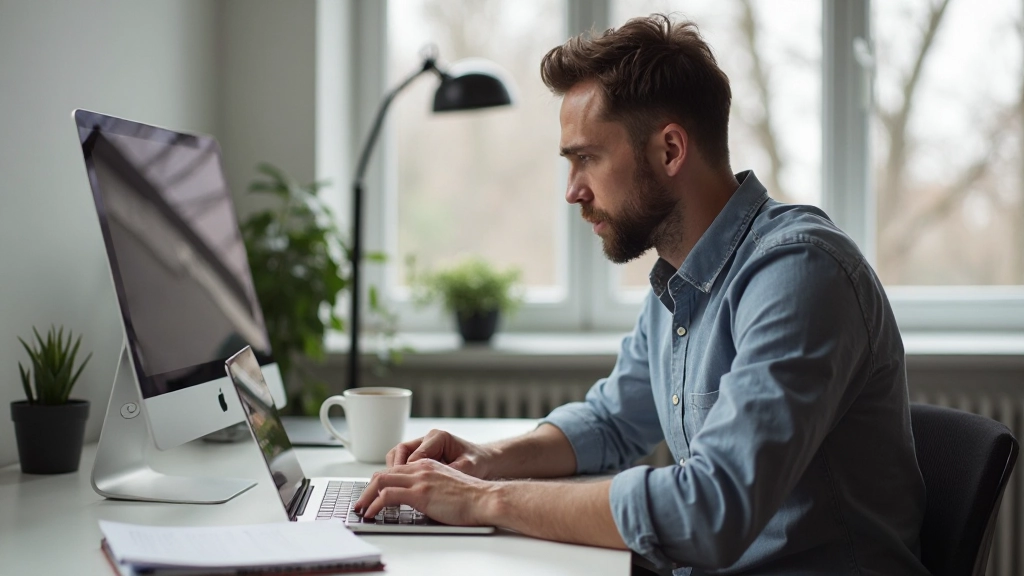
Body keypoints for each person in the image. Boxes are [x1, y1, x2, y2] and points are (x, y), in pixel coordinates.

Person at [354, 14, 928, 575]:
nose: (573, 191)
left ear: (671, 150)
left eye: (586, 158)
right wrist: (483, 461)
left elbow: (710, 509)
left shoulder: (800, 273)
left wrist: (484, 501)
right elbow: (611, 422)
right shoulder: (679, 283)